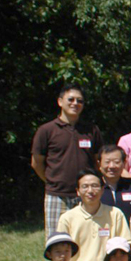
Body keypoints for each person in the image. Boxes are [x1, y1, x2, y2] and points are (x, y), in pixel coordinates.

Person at [32, 84, 103, 235]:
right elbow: (36, 162)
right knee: (56, 240)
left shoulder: (91, 130)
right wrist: (51, 181)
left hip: (86, 194)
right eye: (70, 99)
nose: (75, 103)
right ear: (60, 101)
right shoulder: (46, 130)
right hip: (57, 195)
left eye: (80, 101)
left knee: (86, 238)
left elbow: (98, 161)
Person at [58, 169, 131, 261]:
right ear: (77, 191)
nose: (90, 191)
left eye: (95, 186)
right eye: (85, 187)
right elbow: (59, 251)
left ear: (102, 189)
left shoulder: (115, 214)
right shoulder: (67, 218)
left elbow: (126, 244)